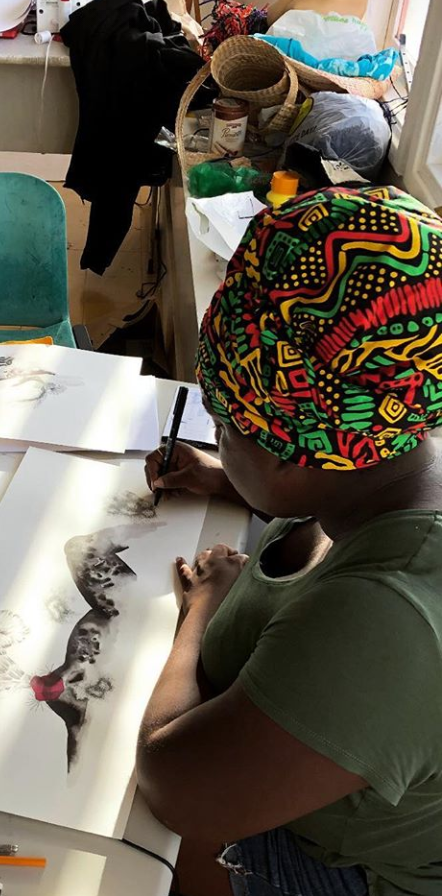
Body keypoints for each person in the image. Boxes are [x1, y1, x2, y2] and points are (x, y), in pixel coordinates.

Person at [136, 186, 442, 896]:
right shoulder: (393, 437)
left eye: (224, 425)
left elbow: (174, 787)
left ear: (292, 454)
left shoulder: (390, 617)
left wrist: (203, 610)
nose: (215, 434)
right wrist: (227, 477)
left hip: (347, 870)